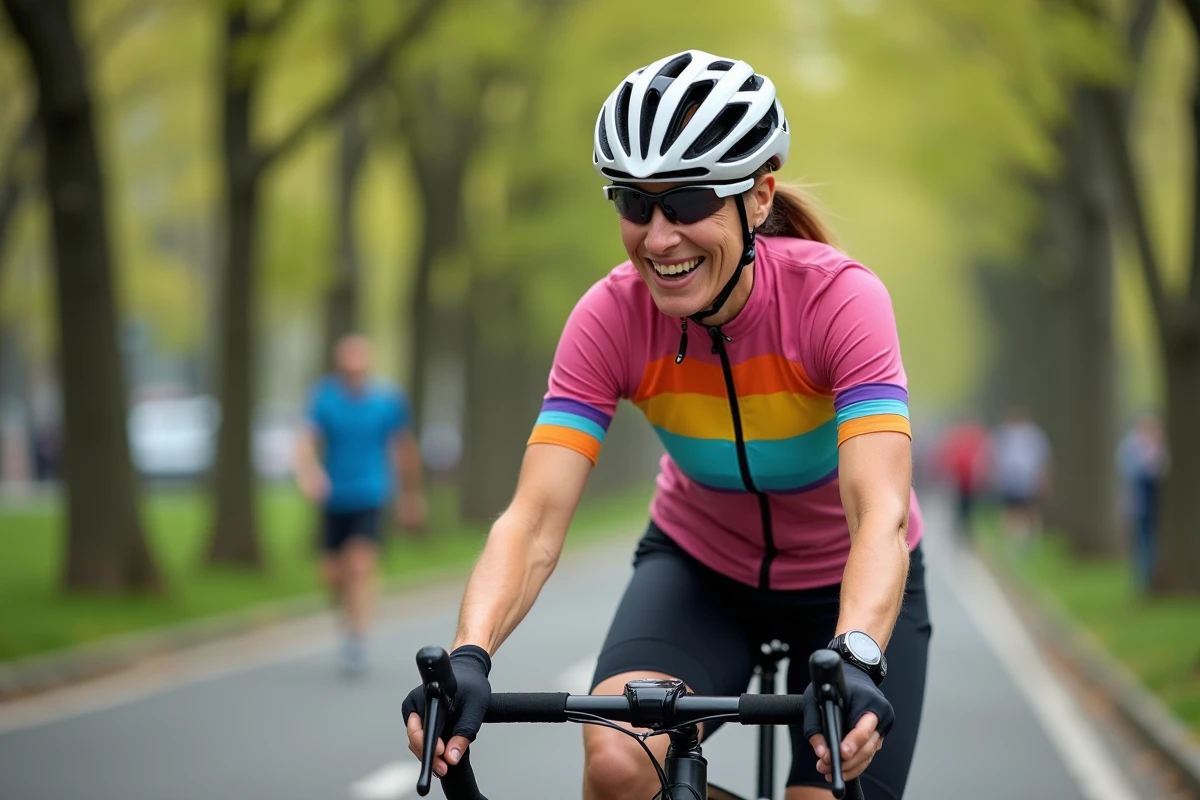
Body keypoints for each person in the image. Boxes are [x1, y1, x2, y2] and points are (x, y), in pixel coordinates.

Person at [403, 50, 931, 799]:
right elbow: (534, 520)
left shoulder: (839, 301)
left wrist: (857, 653)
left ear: (757, 198)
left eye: (686, 204)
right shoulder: (610, 317)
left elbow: (875, 511)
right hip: (701, 567)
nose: (657, 238)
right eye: (632, 204)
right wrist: (468, 657)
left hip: (849, 583)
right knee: (619, 763)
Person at [293, 334, 426, 675]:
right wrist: (309, 474)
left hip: (371, 493)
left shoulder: (387, 400)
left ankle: (357, 637)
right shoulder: (325, 397)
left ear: (367, 365)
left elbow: (402, 448)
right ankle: (351, 611)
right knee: (332, 574)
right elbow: (306, 440)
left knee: (360, 564)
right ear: (339, 365)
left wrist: (410, 495)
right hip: (334, 496)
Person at [1117, 413, 1168, 592]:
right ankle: (1141, 581)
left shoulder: (1160, 446)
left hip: (1156, 505)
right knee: (1141, 543)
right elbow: (1129, 471)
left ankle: (1150, 578)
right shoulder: (1132, 446)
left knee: (1153, 542)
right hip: (1139, 505)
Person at [988, 408, 1051, 547]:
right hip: (1008, 481)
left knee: (1029, 511)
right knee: (1010, 511)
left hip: (1028, 481)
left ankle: (1029, 541)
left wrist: (1042, 480)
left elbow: (1042, 461)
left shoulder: (1034, 436)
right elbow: (994, 458)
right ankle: (1011, 541)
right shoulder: (1003, 434)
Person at [933, 418, 990, 541]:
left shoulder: (972, 441)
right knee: (961, 504)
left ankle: (964, 528)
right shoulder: (962, 440)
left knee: (967, 505)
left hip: (969, 479)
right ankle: (961, 528)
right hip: (960, 478)